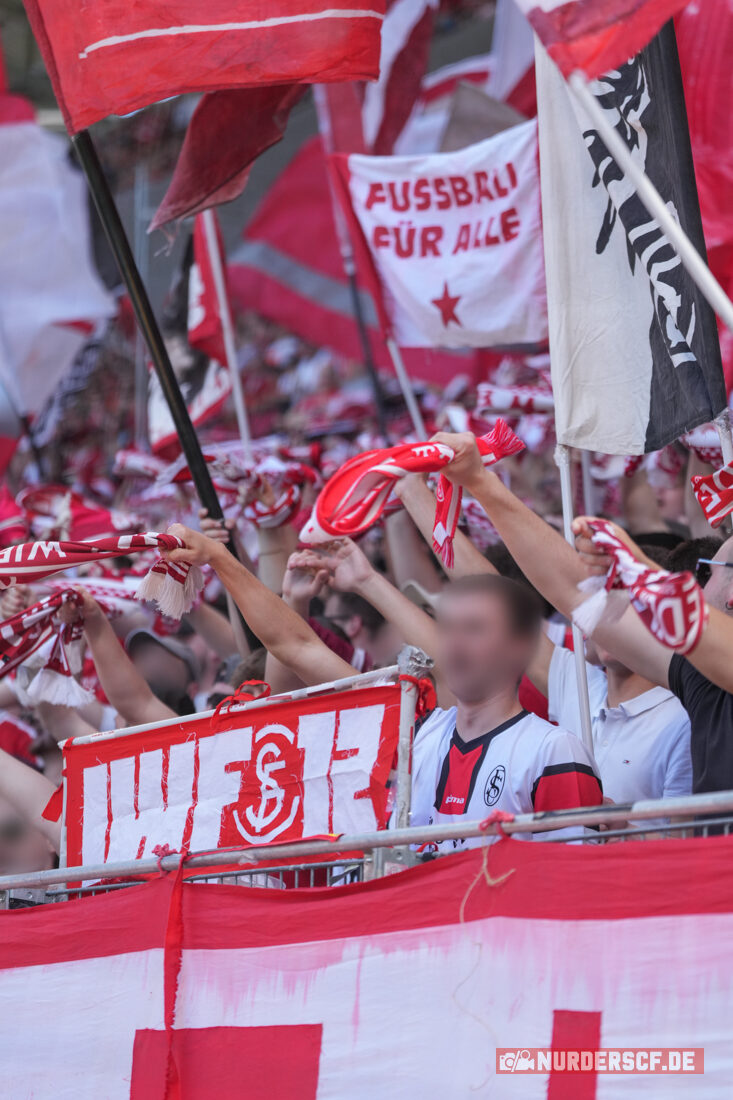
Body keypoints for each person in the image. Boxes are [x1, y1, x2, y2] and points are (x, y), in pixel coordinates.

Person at [163, 526, 603, 845]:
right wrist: (221, 560)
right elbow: (295, 647)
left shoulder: (553, 751)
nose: (454, 642)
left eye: (475, 628)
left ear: (519, 648)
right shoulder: (418, 734)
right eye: (448, 628)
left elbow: (575, 888)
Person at [428, 430, 733, 796]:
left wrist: (638, 570)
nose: (698, 581)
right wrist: (480, 481)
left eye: (707, 570)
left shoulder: (687, 698)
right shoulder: (701, 681)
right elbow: (576, 592)